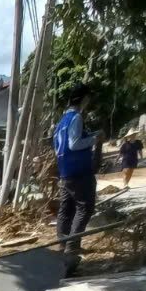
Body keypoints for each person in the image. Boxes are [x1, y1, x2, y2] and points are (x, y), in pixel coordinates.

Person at [53, 83, 102, 254]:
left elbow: (59, 147)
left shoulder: (61, 123)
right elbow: (74, 144)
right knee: (84, 208)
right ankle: (72, 247)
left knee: (66, 208)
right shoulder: (76, 118)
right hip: (79, 171)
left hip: (65, 172)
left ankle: (62, 243)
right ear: (84, 98)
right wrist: (95, 139)